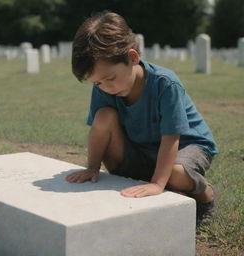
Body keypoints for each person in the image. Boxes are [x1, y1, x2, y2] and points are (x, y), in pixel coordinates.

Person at [66, 11, 218, 223]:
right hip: (142, 146)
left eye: (110, 78)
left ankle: (205, 193)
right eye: (97, 83)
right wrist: (92, 167)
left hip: (186, 144)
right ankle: (162, 179)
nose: (106, 88)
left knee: (171, 174)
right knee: (104, 115)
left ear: (132, 58)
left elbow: (171, 137)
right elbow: (101, 129)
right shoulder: (104, 88)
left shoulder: (165, 83)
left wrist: (157, 183)